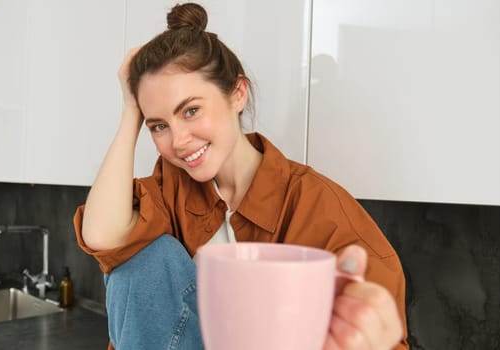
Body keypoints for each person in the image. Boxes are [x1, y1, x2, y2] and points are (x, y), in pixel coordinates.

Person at [74, 3, 408, 349]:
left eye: (191, 110)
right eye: (159, 125)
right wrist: (132, 111)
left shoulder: (321, 209)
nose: (178, 142)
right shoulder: (171, 184)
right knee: (142, 259)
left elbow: (380, 334)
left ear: (237, 94)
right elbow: (103, 236)